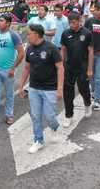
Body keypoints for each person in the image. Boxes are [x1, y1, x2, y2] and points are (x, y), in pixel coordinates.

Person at [18, 24, 64, 154]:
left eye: (29, 34)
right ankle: (38, 140)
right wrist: (21, 86)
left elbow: (60, 68)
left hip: (50, 89)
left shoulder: (51, 48)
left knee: (50, 116)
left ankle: (54, 127)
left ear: (37, 34)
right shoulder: (30, 49)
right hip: (34, 88)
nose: (27, 36)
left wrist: (59, 88)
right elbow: (26, 68)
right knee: (36, 116)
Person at [60, 13, 94, 126]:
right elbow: (63, 50)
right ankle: (69, 115)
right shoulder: (65, 33)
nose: (71, 25)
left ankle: (87, 103)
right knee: (68, 92)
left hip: (82, 66)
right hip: (69, 67)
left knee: (83, 89)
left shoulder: (87, 33)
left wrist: (89, 69)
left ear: (79, 21)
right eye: (70, 23)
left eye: (74, 23)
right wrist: (61, 66)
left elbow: (90, 52)